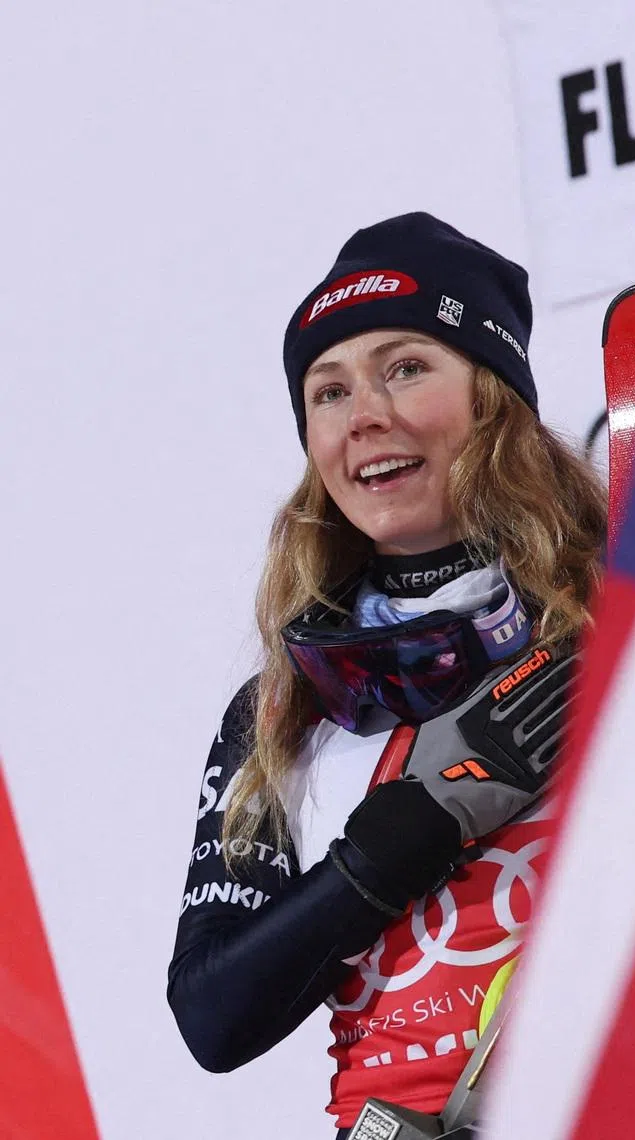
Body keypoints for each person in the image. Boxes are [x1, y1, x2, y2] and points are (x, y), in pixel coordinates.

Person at [167, 213, 607, 1136]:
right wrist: (388, 852)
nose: (364, 413)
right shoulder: (286, 709)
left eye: (406, 367)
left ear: (492, 397)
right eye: (328, 391)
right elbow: (213, 1015)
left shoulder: (617, 626)